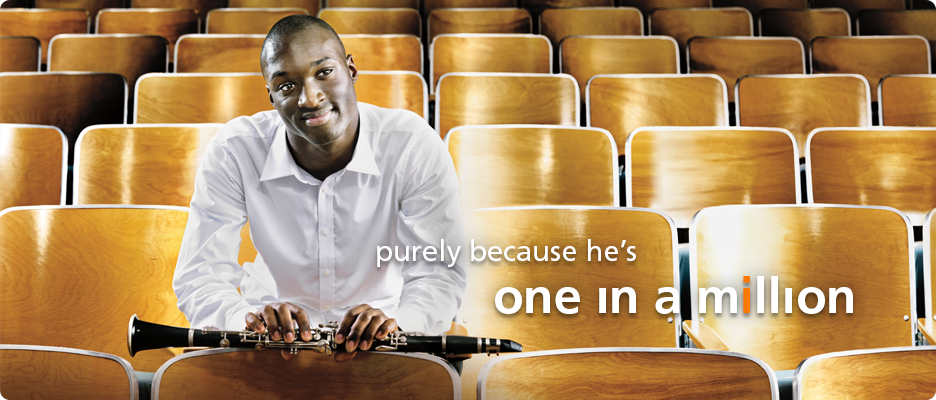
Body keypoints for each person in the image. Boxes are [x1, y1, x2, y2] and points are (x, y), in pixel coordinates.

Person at [173, 15, 467, 362]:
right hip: (268, 349)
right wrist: (246, 323)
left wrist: (399, 325)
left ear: (351, 69)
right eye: (286, 86)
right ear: (270, 96)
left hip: (385, 345)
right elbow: (199, 277)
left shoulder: (412, 144)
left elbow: (440, 272)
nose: (310, 99)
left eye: (324, 72)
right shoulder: (233, 150)